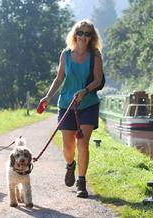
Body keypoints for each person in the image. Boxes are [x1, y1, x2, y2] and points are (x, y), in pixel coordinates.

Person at [39, 19, 103, 198]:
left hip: (88, 104)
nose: (83, 36)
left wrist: (85, 90)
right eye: (80, 33)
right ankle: (70, 165)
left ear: (92, 37)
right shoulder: (65, 54)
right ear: (75, 34)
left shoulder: (95, 55)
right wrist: (48, 97)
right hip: (67, 105)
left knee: (83, 143)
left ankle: (81, 182)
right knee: (68, 148)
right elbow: (59, 79)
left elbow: (97, 80)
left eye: (87, 33)